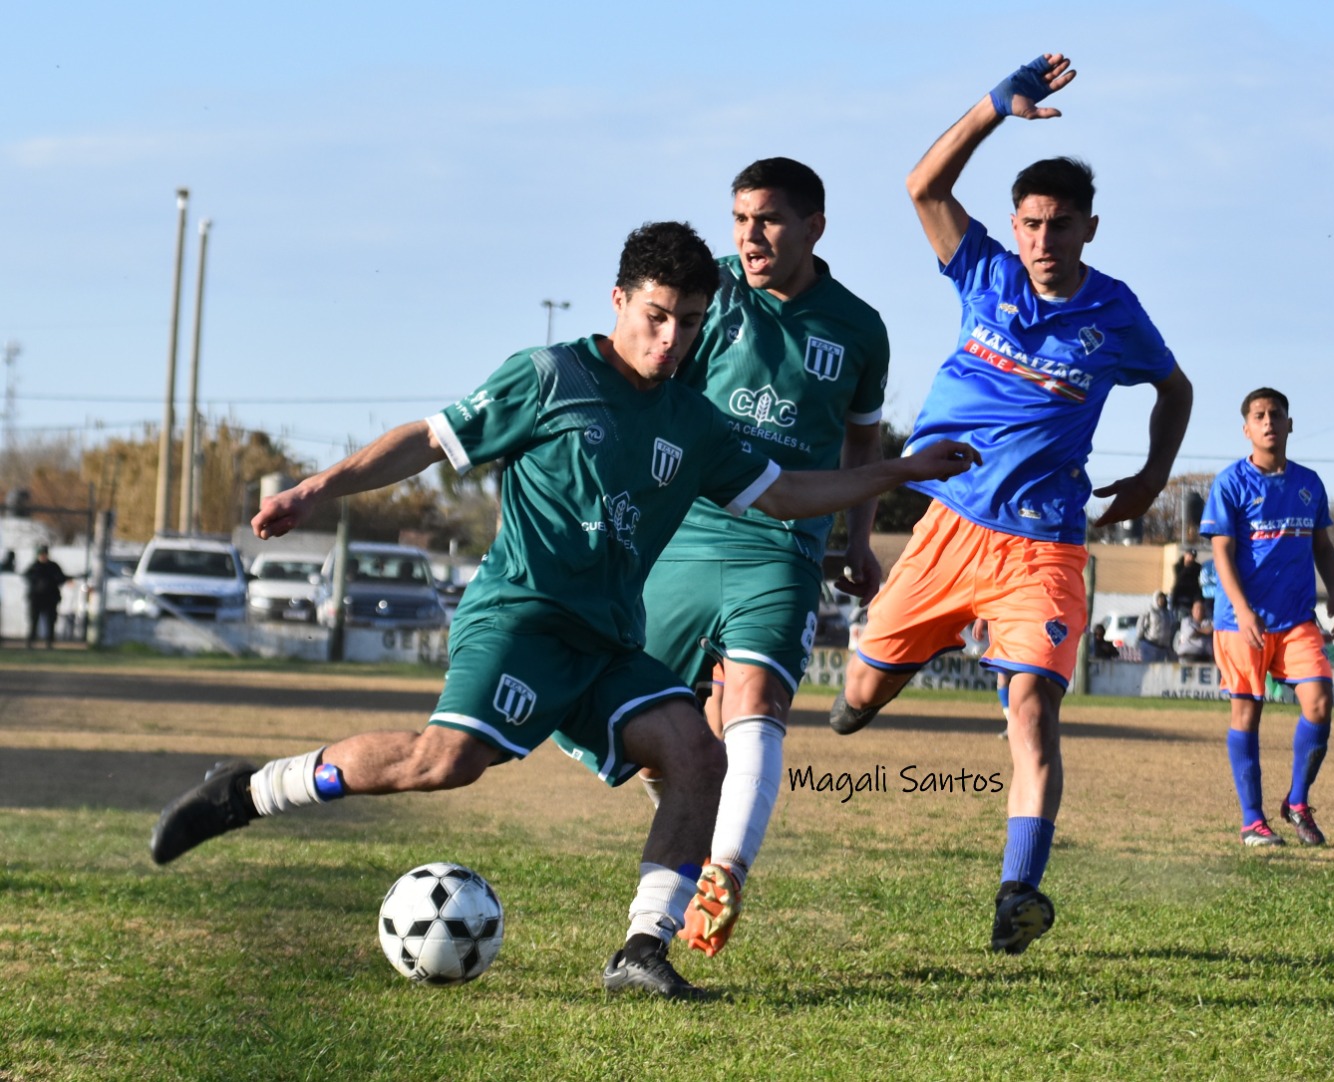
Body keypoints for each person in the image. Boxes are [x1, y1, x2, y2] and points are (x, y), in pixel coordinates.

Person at [147, 221, 978, 1001]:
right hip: (522, 618)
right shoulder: (549, 377)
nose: (671, 340)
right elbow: (431, 438)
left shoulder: (694, 421)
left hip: (608, 642)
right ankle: (251, 791)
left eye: (691, 323)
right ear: (619, 301)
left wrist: (899, 471)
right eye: (657, 317)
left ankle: (642, 948)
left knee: (697, 754)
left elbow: (787, 492)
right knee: (445, 762)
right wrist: (318, 487)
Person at [827, 52, 1193, 955]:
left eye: (1059, 226)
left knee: (1031, 709)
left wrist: (1153, 476)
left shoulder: (1115, 315)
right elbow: (922, 186)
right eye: (1030, 223)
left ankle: (1018, 893)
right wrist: (995, 106)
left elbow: (1174, 388)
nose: (1041, 240)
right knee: (853, 703)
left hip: (1041, 548)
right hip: (947, 528)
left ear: (1089, 229)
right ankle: (926, 640)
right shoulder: (983, 272)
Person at [639, 158, 892, 958]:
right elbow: (648, 382)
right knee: (648, 733)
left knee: (756, 698)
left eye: (770, 219)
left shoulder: (858, 327)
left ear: (814, 227)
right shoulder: (707, 293)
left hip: (783, 542)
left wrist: (856, 536)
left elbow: (862, 443)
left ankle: (725, 870)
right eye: (741, 218)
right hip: (682, 532)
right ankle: (708, 821)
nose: (750, 235)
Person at [1201, 387, 1334, 848]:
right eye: (1259, 415)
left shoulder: (1309, 484)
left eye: (1275, 414)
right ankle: (1252, 821)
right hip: (1241, 621)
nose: (1268, 422)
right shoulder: (1230, 483)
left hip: (1297, 618)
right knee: (1247, 712)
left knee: (1319, 701)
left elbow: (1323, 547)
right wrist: (1243, 610)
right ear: (1246, 429)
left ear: (1289, 424)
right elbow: (1221, 553)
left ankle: (1297, 801)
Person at [24, 543, 69, 648]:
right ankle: (31, 641)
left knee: (50, 621)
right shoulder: (34, 567)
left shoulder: (53, 567)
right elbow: (28, 577)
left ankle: (49, 642)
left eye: (44, 554)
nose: (43, 556)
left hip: (50, 598)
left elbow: (61, 578)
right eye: (41, 554)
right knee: (34, 620)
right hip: (36, 598)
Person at [1136, 590, 1175, 662]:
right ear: (1155, 599)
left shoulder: (1168, 613)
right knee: (1149, 665)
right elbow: (1141, 626)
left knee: (1159, 667)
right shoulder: (1149, 612)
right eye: (1159, 598)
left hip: (1163, 647)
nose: (1161, 601)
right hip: (1150, 644)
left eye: (1163, 599)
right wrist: (1139, 639)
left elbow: (1171, 628)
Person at [1170, 548, 1203, 615]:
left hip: (1192, 594)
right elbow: (1179, 578)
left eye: (1193, 557)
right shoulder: (1178, 566)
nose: (1191, 558)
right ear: (1185, 555)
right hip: (1180, 593)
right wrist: (1187, 567)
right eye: (1189, 555)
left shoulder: (1197, 567)